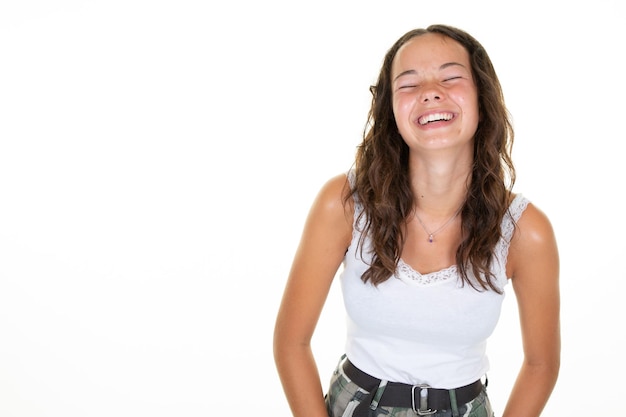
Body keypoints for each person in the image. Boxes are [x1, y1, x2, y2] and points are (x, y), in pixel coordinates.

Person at [273, 24, 560, 417]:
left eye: (451, 77)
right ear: (390, 108)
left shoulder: (526, 231)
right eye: (408, 84)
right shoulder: (343, 204)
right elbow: (291, 342)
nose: (430, 91)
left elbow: (541, 365)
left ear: (482, 97)